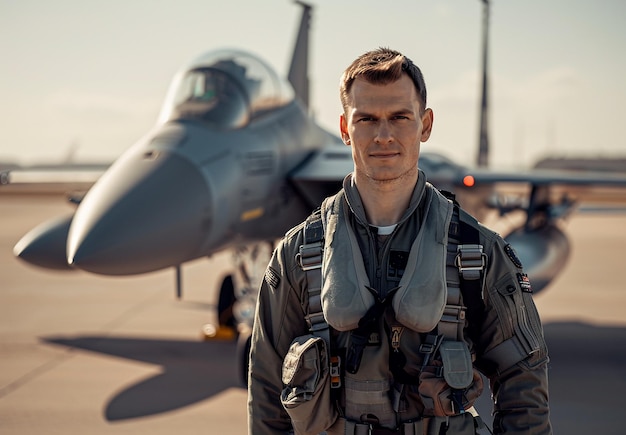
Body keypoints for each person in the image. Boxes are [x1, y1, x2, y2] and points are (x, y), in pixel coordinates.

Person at [247, 47, 551, 435]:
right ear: (344, 129)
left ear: (425, 125)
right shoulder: (297, 256)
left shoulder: (478, 253)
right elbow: (268, 392)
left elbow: (524, 381)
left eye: (399, 117)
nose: (384, 135)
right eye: (367, 119)